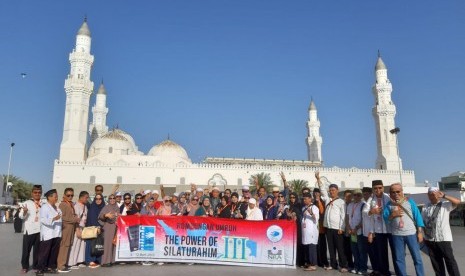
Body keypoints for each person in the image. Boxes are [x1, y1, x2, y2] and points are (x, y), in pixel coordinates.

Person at [383, 183, 425, 276]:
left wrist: (420, 232)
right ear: (390, 193)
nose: (395, 194)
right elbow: (385, 219)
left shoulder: (410, 201)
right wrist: (392, 215)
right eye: (393, 192)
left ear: (402, 191)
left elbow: (417, 216)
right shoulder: (389, 205)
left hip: (411, 234)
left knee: (417, 258)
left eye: (398, 191)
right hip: (397, 235)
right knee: (399, 259)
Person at [421, 187, 461, 276]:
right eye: (431, 194)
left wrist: (444, 196)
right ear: (428, 195)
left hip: (444, 239)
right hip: (430, 239)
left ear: (439, 194)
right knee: (436, 263)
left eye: (435, 193)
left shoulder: (445, 205)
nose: (433, 196)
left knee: (450, 261)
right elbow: (422, 221)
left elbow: (457, 202)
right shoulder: (425, 206)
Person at [316, 172, 348, 272]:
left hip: (337, 229)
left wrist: (341, 228)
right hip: (328, 228)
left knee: (340, 248)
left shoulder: (341, 202)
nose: (331, 192)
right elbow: (322, 191)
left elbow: (343, 216)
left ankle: (344, 266)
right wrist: (318, 179)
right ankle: (333, 265)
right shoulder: (327, 199)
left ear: (337, 191)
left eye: (333, 190)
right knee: (331, 247)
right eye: (330, 190)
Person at [363, 179, 394, 276]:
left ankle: (399, 271)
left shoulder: (388, 197)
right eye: (375, 188)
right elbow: (365, 212)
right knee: (382, 253)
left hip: (391, 229)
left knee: (395, 252)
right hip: (379, 230)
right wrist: (372, 211)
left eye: (380, 188)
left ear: (383, 188)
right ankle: (385, 272)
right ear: (373, 189)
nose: (378, 190)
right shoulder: (371, 200)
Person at [36, 189, 62, 276]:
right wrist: (54, 218)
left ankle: (50, 267)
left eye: (57, 196)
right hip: (48, 234)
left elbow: (60, 217)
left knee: (53, 252)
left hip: (56, 233)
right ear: (49, 197)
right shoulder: (45, 207)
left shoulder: (57, 207)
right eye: (55, 196)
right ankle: (40, 269)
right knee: (44, 253)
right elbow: (43, 220)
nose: (56, 198)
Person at [19, 185, 42, 273]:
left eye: (39, 192)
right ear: (32, 193)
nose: (37, 194)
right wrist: (24, 212)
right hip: (29, 230)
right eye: (35, 192)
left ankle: (35, 265)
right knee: (26, 250)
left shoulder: (43, 203)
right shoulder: (26, 203)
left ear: (41, 193)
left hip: (39, 230)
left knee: (37, 250)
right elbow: (21, 216)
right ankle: (25, 266)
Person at [57, 188, 79, 273]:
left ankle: (64, 263)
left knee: (68, 245)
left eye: (72, 195)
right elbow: (62, 217)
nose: (70, 197)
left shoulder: (70, 204)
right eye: (68, 195)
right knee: (64, 246)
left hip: (71, 228)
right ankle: (60, 266)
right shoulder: (63, 204)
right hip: (66, 228)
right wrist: (74, 219)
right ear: (64, 195)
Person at [346, 189, 366, 275]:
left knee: (361, 251)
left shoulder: (363, 205)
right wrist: (349, 228)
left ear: (361, 196)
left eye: (358, 195)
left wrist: (356, 228)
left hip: (359, 231)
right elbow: (347, 217)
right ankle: (356, 267)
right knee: (354, 251)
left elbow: (364, 219)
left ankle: (363, 268)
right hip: (352, 232)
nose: (356, 196)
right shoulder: (350, 205)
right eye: (355, 195)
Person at [68, 191, 89, 269]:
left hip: (83, 227)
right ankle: (71, 262)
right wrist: (77, 230)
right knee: (75, 245)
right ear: (82, 197)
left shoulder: (85, 206)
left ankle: (79, 261)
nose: (87, 199)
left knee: (81, 245)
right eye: (86, 197)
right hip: (77, 228)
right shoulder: (76, 206)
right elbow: (75, 219)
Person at [99, 194, 120, 267]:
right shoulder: (106, 207)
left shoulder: (117, 207)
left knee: (113, 244)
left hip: (115, 227)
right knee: (107, 244)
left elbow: (118, 217)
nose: (112, 199)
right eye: (110, 198)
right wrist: (106, 215)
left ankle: (112, 260)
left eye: (113, 198)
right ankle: (105, 262)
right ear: (108, 199)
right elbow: (100, 216)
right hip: (108, 227)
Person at [85, 194, 104, 268]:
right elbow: (92, 219)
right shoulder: (92, 208)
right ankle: (90, 261)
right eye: (96, 199)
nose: (98, 200)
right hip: (92, 229)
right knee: (91, 244)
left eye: (100, 199)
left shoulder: (103, 207)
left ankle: (96, 260)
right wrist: (98, 227)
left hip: (99, 230)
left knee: (97, 245)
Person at [301, 193, 319, 271]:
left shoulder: (314, 207)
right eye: (303, 199)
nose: (304, 200)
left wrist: (311, 213)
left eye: (306, 198)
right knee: (306, 246)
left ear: (310, 199)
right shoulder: (303, 208)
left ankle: (313, 264)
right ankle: (308, 263)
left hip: (311, 230)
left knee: (311, 246)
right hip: (305, 230)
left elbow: (316, 219)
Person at [313, 187, 329, 269]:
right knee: (316, 245)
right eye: (315, 193)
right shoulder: (312, 202)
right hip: (314, 228)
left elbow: (322, 212)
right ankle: (318, 261)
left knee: (322, 245)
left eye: (317, 192)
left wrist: (319, 201)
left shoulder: (322, 202)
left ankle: (324, 261)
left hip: (321, 228)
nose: (316, 194)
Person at [360, 187, 375, 274]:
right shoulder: (365, 203)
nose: (364, 195)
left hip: (370, 233)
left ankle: (375, 270)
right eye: (364, 194)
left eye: (366, 194)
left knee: (373, 253)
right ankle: (374, 269)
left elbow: (373, 219)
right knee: (369, 252)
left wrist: (371, 232)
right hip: (365, 233)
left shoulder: (372, 203)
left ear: (370, 194)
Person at [343, 190, 355, 271]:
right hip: (345, 230)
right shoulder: (342, 205)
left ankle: (356, 264)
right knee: (346, 248)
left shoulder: (354, 205)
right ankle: (349, 263)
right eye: (346, 196)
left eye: (349, 196)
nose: (348, 198)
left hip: (353, 230)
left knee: (354, 248)